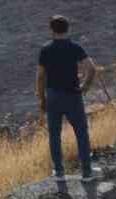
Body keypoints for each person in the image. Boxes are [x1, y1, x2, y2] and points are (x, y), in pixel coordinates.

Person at [37, 15, 98, 182]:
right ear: (67, 29)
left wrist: (41, 98)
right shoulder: (75, 47)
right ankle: (86, 172)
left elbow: (41, 76)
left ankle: (59, 172)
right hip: (72, 95)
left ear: (51, 30)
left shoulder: (45, 49)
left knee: (54, 134)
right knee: (81, 133)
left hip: (53, 96)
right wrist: (84, 87)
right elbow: (92, 69)